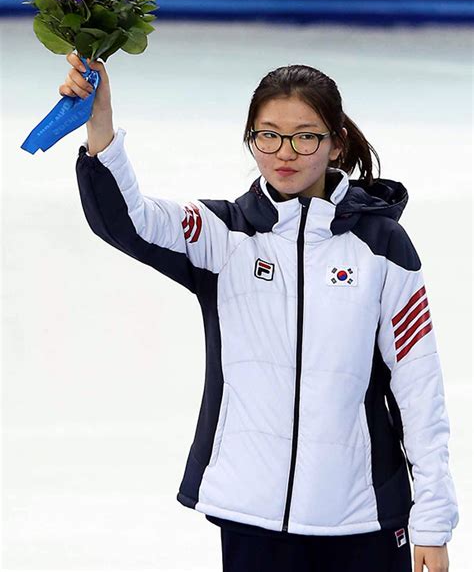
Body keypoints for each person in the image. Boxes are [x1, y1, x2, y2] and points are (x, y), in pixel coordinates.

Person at [61, 55, 459, 572]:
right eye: (267, 135)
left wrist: (432, 518)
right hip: (250, 516)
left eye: (305, 136)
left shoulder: (382, 247)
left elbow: (419, 387)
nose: (284, 152)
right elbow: (127, 219)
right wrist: (100, 119)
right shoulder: (224, 236)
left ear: (336, 142)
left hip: (362, 518)